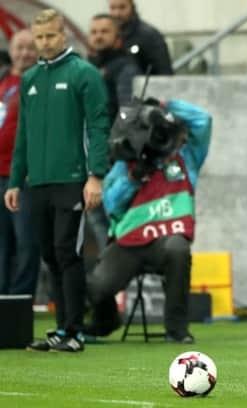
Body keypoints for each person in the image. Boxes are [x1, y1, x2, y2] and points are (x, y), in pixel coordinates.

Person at [4, 9, 110, 352]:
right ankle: (61, 330)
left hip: (73, 180)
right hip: (39, 183)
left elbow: (98, 127)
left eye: (50, 36)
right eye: (39, 37)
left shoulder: (85, 74)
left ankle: (75, 331)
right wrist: (16, 181)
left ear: (63, 35)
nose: (44, 43)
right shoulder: (31, 78)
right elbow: (23, 134)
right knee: (49, 255)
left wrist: (95, 176)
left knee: (69, 251)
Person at [86, 98, 212, 344]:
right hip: (129, 243)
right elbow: (110, 204)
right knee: (96, 287)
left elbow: (203, 120)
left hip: (166, 239)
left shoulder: (187, 157)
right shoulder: (126, 161)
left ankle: (177, 331)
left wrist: (165, 107)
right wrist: (133, 178)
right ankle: (106, 321)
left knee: (178, 248)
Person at [87, 13, 142, 254]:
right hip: (89, 158)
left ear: (117, 38)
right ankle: (107, 282)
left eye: (104, 31)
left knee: (114, 221)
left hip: (111, 160)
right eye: (94, 32)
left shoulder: (125, 68)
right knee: (98, 223)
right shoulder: (88, 67)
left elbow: (127, 112)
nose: (98, 36)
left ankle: (118, 281)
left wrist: (113, 153)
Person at [0, 30, 40, 296]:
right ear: (11, 49)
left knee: (26, 240)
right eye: (20, 47)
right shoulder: (3, 80)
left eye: (30, 47)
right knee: (2, 242)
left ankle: (20, 299)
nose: (24, 53)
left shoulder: (41, 81)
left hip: (24, 175)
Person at [108, 0, 174, 75]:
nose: (117, 13)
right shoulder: (112, 34)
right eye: (112, 8)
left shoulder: (149, 36)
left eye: (122, 7)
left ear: (132, 7)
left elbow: (164, 71)